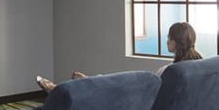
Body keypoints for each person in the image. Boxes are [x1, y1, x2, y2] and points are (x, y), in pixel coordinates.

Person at [35, 21, 202, 92]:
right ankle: (85, 82)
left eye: (168, 38)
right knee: (119, 85)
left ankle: (60, 89)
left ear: (173, 43)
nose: (167, 41)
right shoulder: (203, 68)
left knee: (116, 88)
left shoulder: (169, 71)